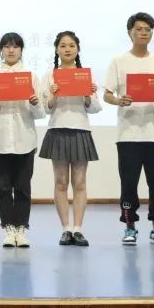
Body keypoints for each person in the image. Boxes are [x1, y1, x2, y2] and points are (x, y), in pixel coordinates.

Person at [103, 12, 154, 246]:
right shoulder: (118, 61)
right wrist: (119, 100)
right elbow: (107, 94)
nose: (143, 33)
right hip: (128, 134)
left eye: (148, 29)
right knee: (128, 184)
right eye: (139, 29)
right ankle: (129, 226)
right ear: (130, 32)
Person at [40, 31, 101, 246]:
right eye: (63, 45)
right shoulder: (50, 75)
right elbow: (44, 108)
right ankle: (65, 228)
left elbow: (95, 108)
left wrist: (88, 94)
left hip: (80, 129)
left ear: (78, 49)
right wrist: (53, 95)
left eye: (71, 45)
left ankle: (78, 228)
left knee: (80, 182)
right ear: (57, 50)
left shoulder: (85, 75)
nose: (67, 49)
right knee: (61, 182)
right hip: (58, 129)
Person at [0, 32, 44, 248]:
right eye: (7, 46)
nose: (11, 50)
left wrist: (35, 103)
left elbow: (40, 113)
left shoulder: (31, 76)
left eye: (15, 46)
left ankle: (21, 228)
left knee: (22, 187)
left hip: (24, 139)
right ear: (1, 50)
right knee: (2, 187)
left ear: (21, 50)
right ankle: (8, 229)